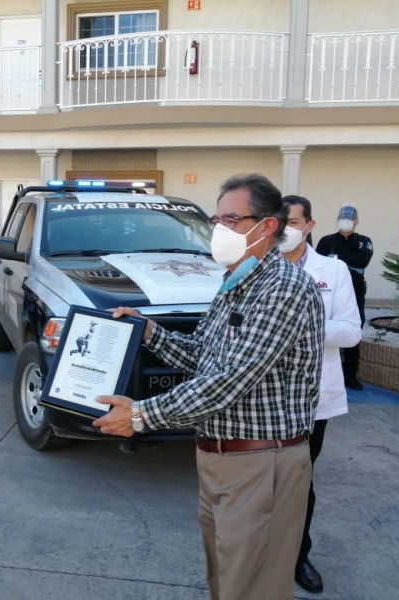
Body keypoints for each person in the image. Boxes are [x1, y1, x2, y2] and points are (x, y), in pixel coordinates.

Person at [94, 174, 325, 600]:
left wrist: (142, 415)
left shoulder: (283, 288)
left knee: (253, 589)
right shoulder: (233, 282)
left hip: (261, 464)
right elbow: (204, 359)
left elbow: (229, 381)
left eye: (231, 219)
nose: (218, 229)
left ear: (267, 226)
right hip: (218, 460)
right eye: (216, 219)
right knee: (223, 582)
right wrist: (149, 333)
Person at [280, 195, 362, 594]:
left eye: (291, 222)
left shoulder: (333, 269)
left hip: (313, 400)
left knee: (299, 480)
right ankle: (263, 549)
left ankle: (297, 555)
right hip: (263, 399)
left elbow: (350, 331)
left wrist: (305, 327)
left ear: (309, 225)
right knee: (260, 480)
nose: (283, 229)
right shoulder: (258, 268)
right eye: (277, 221)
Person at [315, 205, 373, 390]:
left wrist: (337, 257)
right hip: (328, 291)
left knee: (353, 329)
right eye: (343, 218)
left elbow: (362, 261)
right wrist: (345, 259)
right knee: (324, 327)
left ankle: (350, 375)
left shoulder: (364, 242)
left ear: (356, 221)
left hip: (355, 292)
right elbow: (320, 263)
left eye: (350, 219)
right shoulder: (326, 240)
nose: (346, 221)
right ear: (338, 219)